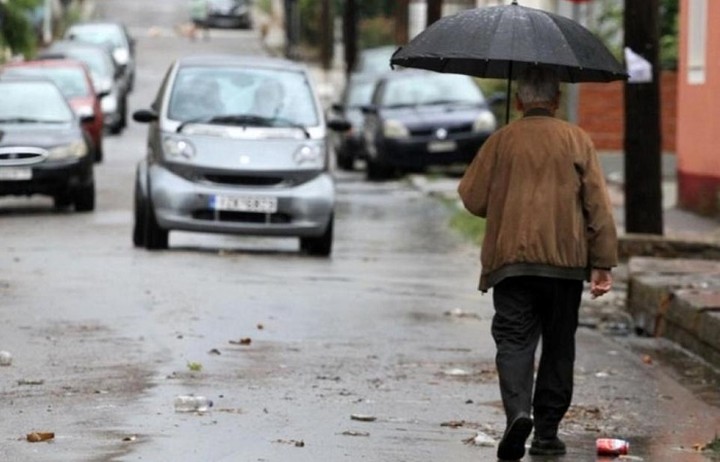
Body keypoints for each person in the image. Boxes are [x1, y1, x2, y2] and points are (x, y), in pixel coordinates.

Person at [457, 66, 617, 461]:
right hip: (565, 265)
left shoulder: (501, 141)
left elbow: (473, 198)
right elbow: (597, 206)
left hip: (511, 263)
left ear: (517, 101)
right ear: (557, 100)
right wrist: (603, 264)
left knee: (513, 340)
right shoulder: (577, 140)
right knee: (560, 344)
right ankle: (546, 433)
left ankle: (518, 413)